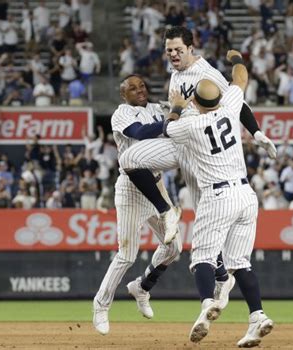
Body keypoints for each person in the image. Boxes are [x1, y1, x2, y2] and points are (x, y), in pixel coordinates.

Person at [162, 49, 273, 347]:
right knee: (240, 263)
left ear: (195, 102)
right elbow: (241, 78)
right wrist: (236, 59)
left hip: (218, 195)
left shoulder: (191, 123)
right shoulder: (230, 107)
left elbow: (167, 127)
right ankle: (257, 316)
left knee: (202, 259)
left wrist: (175, 106)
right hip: (246, 195)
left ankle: (206, 305)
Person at [92, 75, 183, 335]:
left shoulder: (156, 108)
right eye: (132, 88)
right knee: (126, 255)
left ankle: (141, 288)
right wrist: (171, 119)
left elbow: (182, 111)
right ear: (124, 95)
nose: (139, 90)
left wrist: (179, 108)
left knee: (174, 247)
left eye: (141, 85)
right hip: (131, 188)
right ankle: (101, 304)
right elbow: (140, 133)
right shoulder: (121, 113)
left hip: (156, 185)